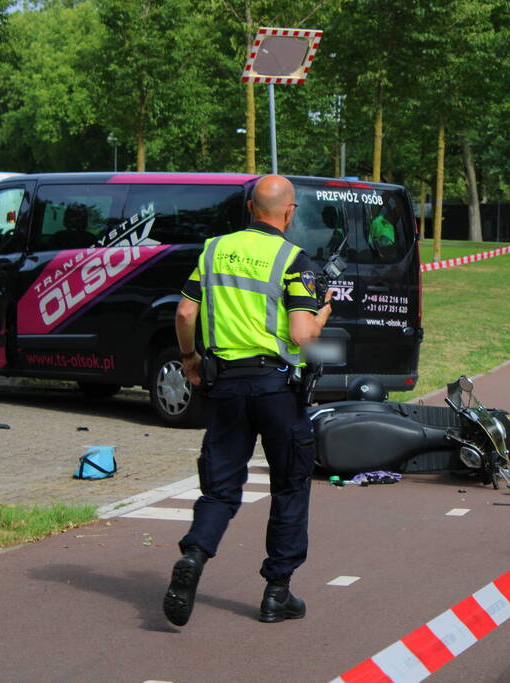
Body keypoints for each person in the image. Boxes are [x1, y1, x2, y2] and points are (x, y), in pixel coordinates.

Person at [163, 174, 333, 627]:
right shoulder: (293, 259)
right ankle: (277, 592)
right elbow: (302, 335)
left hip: (224, 387)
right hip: (276, 388)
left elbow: (184, 311)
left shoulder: (213, 250)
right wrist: (321, 314)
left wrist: (188, 358)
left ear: (250, 208)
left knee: (220, 489)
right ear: (288, 212)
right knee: (290, 485)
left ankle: (196, 554)